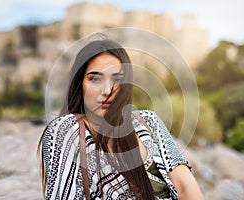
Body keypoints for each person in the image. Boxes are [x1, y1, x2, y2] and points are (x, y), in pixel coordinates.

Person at [38, 36, 204, 200]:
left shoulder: (148, 121)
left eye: (117, 79)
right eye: (95, 79)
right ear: (79, 83)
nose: (107, 90)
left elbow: (185, 186)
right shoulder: (65, 131)